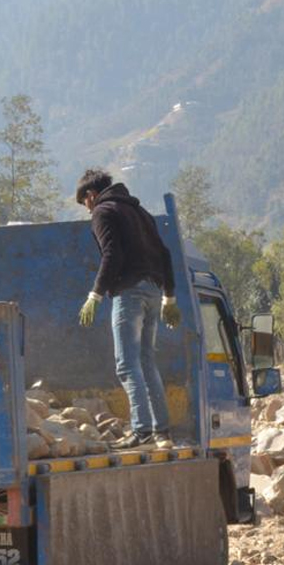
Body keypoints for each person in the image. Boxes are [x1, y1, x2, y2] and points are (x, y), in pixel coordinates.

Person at [75, 169, 181, 449]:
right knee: (147, 361)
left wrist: (95, 295)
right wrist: (169, 298)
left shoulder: (103, 211)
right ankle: (162, 433)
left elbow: (112, 254)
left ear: (91, 195)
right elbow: (165, 254)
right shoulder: (141, 212)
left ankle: (142, 429)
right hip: (153, 291)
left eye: (85, 202)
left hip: (129, 293)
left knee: (126, 364)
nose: (87, 209)